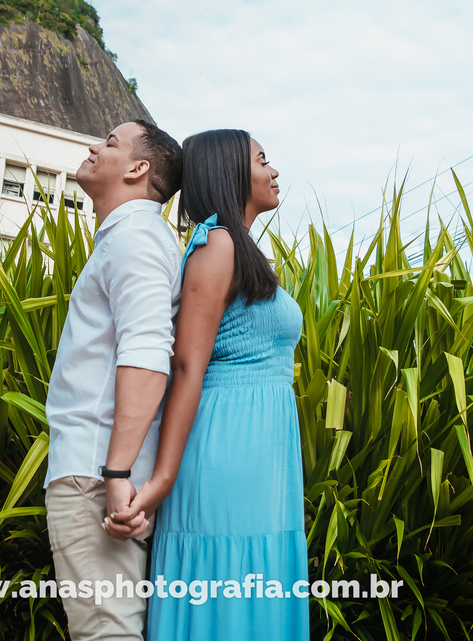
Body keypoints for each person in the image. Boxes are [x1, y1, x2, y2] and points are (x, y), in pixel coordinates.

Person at [109, 129, 309, 639]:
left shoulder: (238, 249)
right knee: (230, 583)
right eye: (262, 160)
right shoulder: (216, 244)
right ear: (230, 171)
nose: (273, 171)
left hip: (261, 454)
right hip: (227, 448)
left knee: (253, 582)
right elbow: (186, 366)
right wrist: (162, 479)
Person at [42, 119, 185, 641]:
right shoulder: (132, 237)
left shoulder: (135, 238)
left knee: (106, 633)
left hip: (95, 474)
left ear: (138, 168)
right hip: (99, 471)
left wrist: (116, 471)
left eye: (109, 143)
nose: (93, 147)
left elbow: (147, 352)